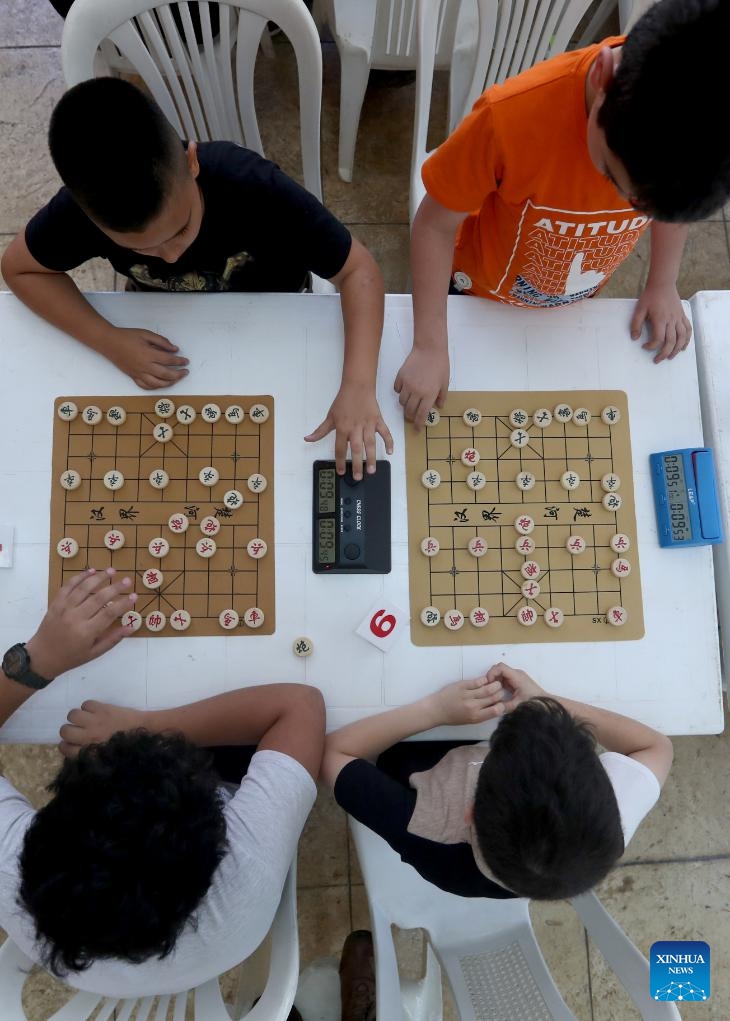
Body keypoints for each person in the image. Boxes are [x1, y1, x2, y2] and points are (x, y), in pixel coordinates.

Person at [1, 77, 392, 478]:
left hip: (277, 317)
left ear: (192, 162)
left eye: (180, 229)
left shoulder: (253, 186)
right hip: (169, 331)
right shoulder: (82, 211)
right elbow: (18, 268)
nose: (171, 255)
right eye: (142, 250)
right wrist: (107, 338)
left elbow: (358, 270)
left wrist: (359, 385)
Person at [395, 0, 730, 427]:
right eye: (611, 176)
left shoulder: (690, 148)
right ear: (601, 75)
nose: (624, 206)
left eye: (644, 209)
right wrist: (429, 346)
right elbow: (434, 225)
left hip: (571, 302)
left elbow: (671, 210)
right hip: (473, 292)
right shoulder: (508, 119)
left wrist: (663, 282)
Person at [0, 566, 325, 998]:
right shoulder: (245, 873)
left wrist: (40, 659)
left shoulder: (15, 867)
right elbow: (302, 706)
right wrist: (148, 725)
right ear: (218, 843)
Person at [321, 663, 673, 899]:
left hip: (412, 758)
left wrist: (434, 712)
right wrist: (545, 702)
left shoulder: (425, 825)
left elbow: (334, 753)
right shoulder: (604, 824)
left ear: (470, 811)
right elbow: (656, 746)